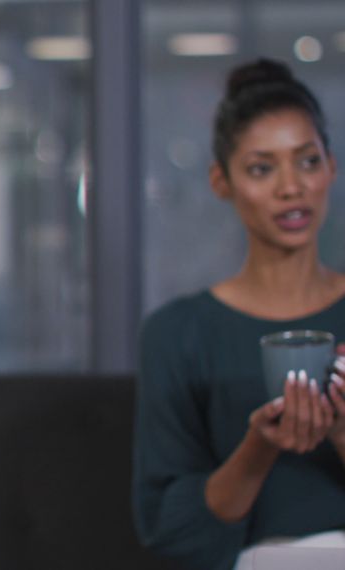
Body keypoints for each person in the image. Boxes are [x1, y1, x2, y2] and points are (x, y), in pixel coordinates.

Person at [133, 58, 345, 570]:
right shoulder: (178, 334)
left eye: (307, 161)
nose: (290, 187)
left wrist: (341, 433)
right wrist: (258, 447)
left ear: (331, 168)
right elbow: (169, 533)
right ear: (221, 181)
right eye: (261, 168)